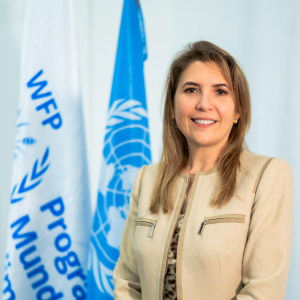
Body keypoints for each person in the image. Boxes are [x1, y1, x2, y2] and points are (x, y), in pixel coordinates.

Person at [112, 41, 293, 300]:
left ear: (237, 110)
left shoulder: (268, 175)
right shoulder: (147, 179)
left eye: (220, 92)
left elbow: (263, 291)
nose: (204, 104)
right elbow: (127, 281)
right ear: (173, 108)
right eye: (191, 90)